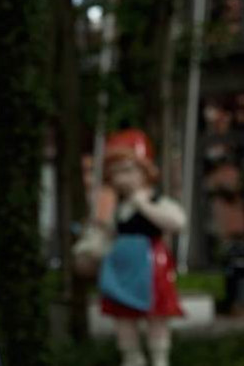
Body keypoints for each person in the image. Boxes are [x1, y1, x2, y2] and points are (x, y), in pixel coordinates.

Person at [98, 129, 186, 366]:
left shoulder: (154, 200)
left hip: (150, 266)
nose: (121, 178)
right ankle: (131, 357)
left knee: (156, 315)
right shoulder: (118, 207)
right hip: (121, 269)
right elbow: (109, 233)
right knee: (123, 318)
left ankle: (159, 358)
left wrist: (145, 206)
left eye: (127, 170)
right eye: (116, 172)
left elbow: (178, 222)